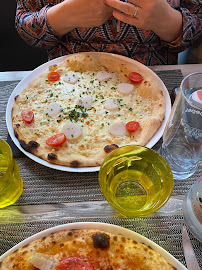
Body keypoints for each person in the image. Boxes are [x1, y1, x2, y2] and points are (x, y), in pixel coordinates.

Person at [15, 0, 201, 66]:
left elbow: (197, 27)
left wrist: (166, 20)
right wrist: (66, 15)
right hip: (65, 81)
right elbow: (25, 28)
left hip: (157, 83)